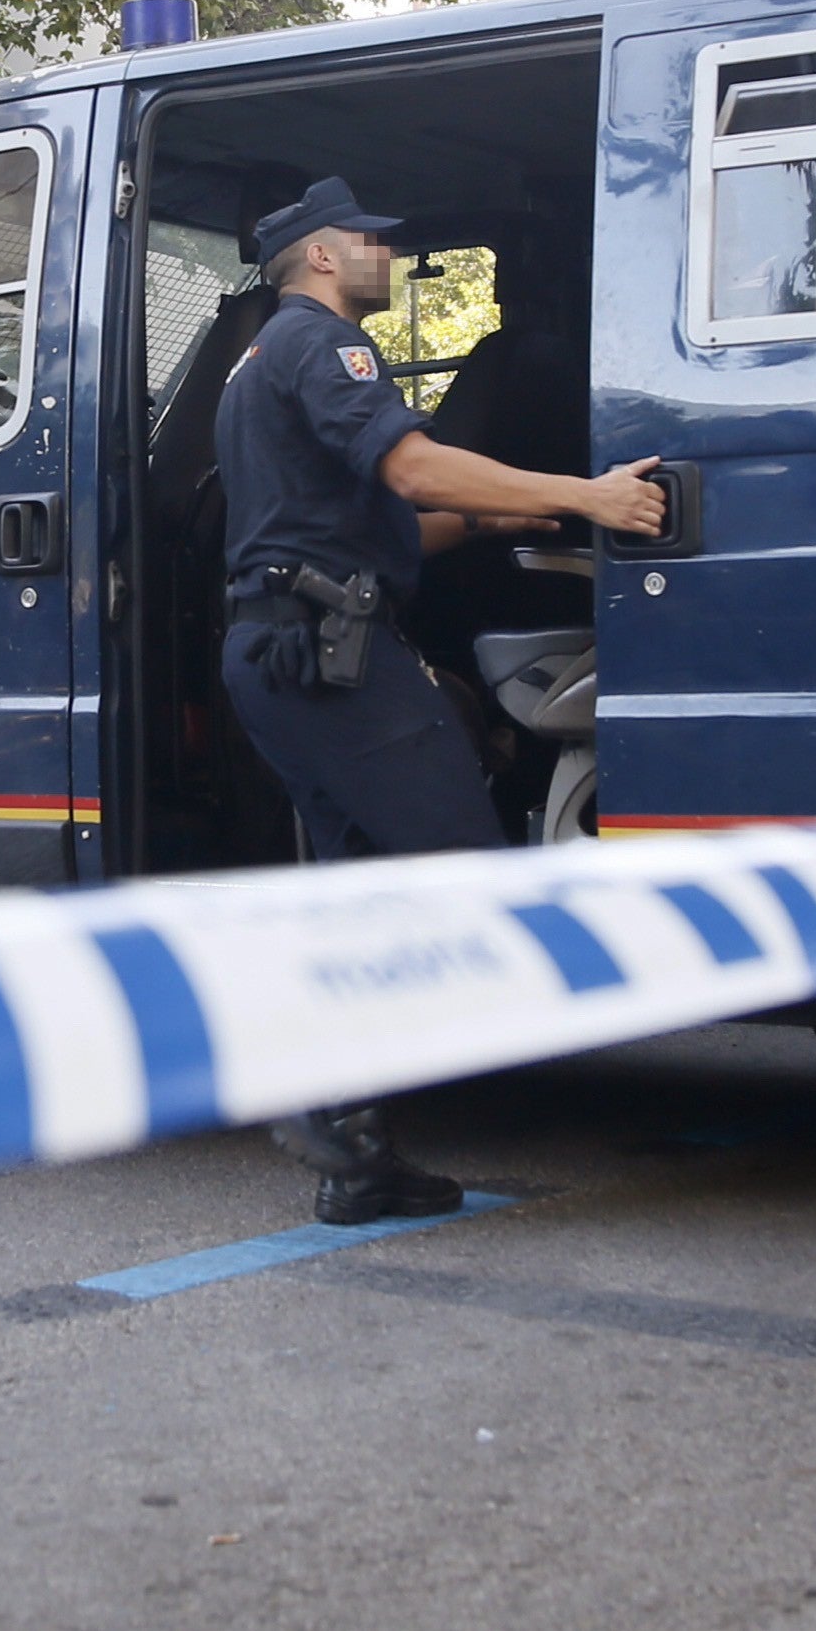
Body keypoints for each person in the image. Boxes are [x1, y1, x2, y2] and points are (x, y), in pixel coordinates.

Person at [214, 177, 664, 1223]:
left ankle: (354, 1155)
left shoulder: (255, 363)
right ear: (321, 254)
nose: (386, 252)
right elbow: (413, 471)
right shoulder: (319, 344)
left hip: (285, 649)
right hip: (328, 657)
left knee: (359, 892)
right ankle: (322, 1098)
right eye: (368, 239)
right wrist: (587, 492)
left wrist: (533, 516)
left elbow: (395, 527)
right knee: (464, 872)